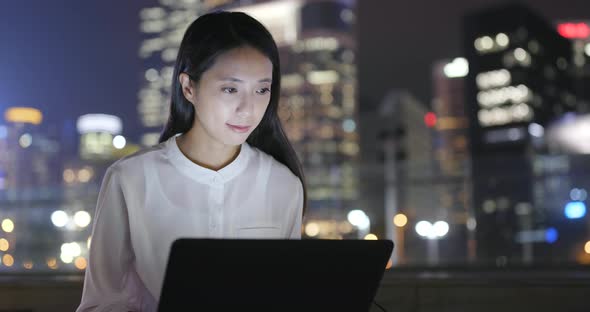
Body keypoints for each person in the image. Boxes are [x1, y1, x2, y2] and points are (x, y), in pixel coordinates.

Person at [76, 11, 307, 312]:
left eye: (262, 90)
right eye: (230, 89)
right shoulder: (131, 179)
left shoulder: (283, 186)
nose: (248, 109)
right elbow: (103, 303)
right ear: (188, 87)